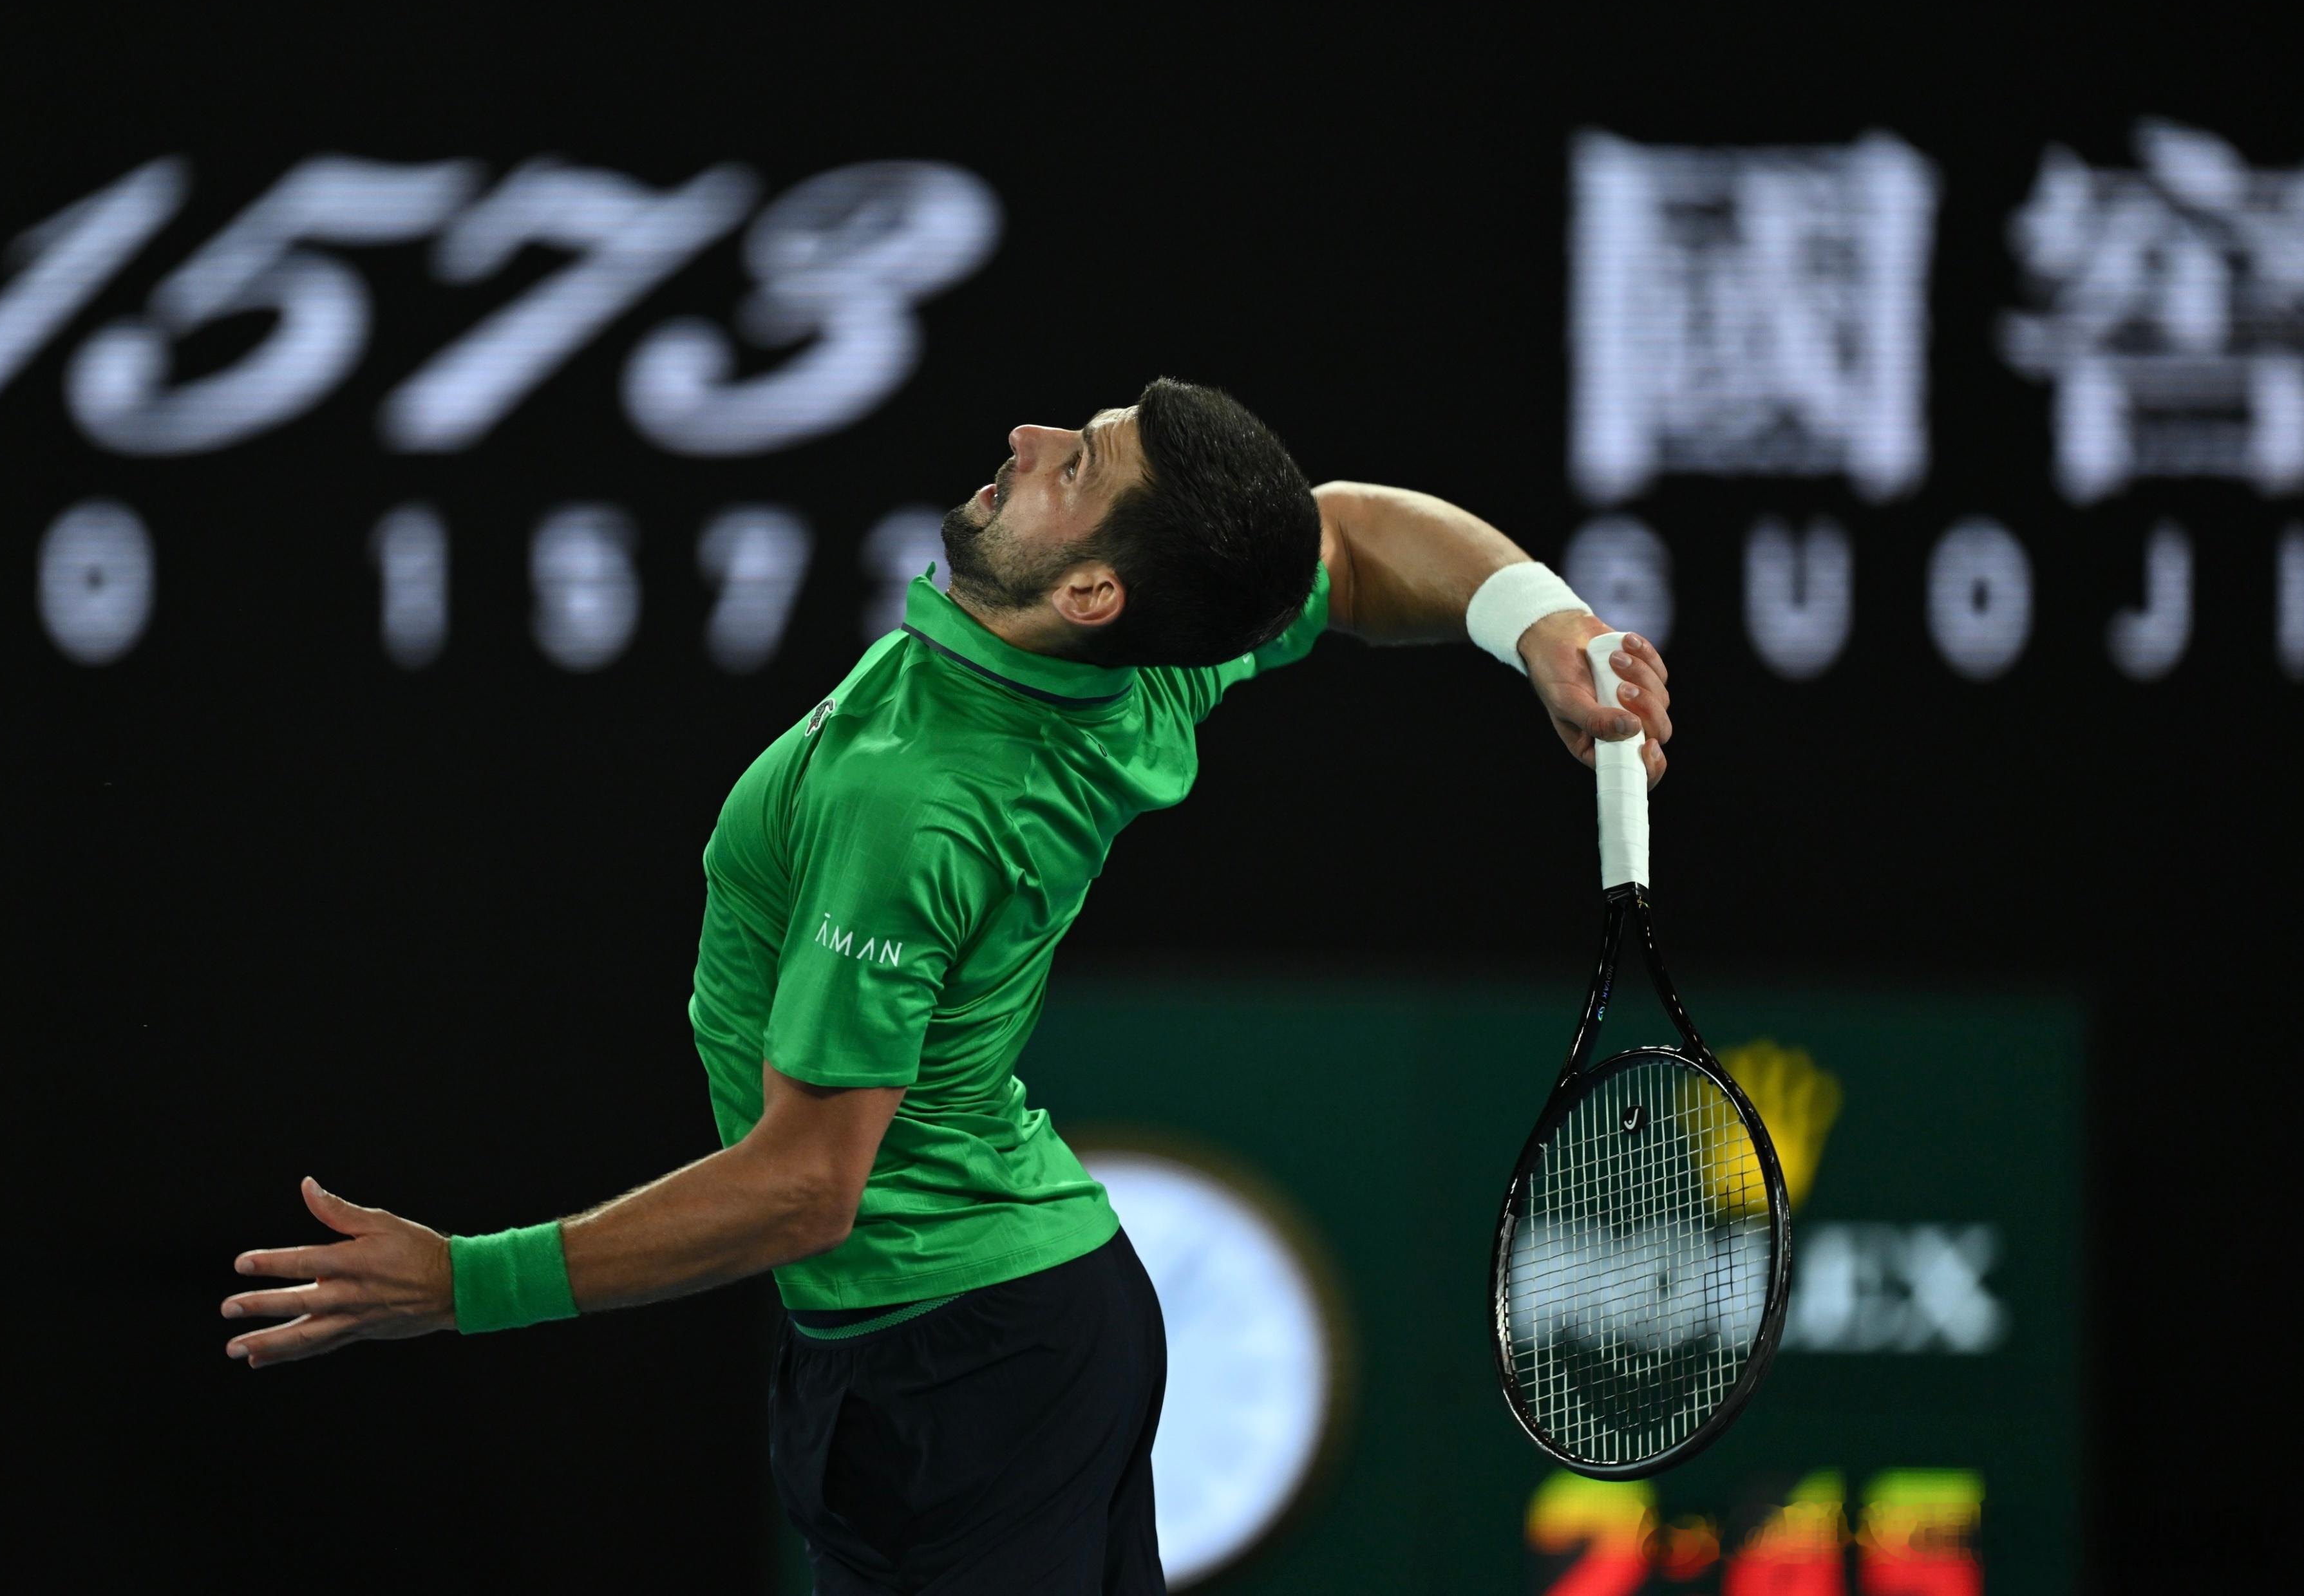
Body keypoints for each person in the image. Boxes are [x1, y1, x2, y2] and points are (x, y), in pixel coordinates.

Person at [219, 377, 1675, 1594]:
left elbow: (806, 1186)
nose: (1030, 436)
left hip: (966, 1375)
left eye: (1078, 463)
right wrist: (1543, 622)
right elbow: (1343, 539)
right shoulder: (1138, 656)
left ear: (1093, 588)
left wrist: (468, 1284)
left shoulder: (920, 803)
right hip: (975, 1341)